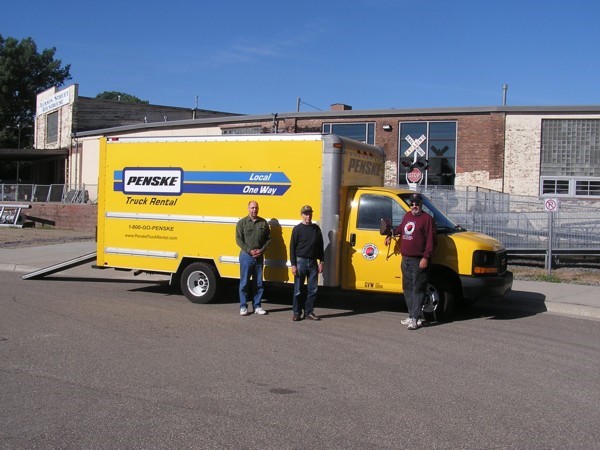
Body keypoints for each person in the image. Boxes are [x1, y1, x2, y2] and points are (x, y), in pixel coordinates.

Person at [384, 193, 436, 330]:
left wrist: (426, 257)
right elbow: (401, 228)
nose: (414, 206)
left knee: (418, 289)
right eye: (412, 204)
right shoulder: (407, 216)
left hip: (419, 260)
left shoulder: (427, 219)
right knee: (407, 289)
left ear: (421, 205)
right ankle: (412, 315)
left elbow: (431, 241)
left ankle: (416, 318)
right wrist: (391, 234)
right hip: (405, 259)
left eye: (417, 204)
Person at [235, 200, 271, 316]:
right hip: (246, 256)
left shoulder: (263, 223)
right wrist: (249, 250)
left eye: (256, 208)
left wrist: (262, 250)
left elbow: (268, 239)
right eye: (252, 208)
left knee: (259, 283)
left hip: (259, 256)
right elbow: (238, 239)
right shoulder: (242, 223)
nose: (254, 210)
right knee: (244, 283)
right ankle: (243, 306)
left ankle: (257, 306)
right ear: (248, 208)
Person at [289, 205, 325, 321]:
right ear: (301, 215)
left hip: (313, 262)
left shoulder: (316, 229)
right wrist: (293, 265)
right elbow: (292, 248)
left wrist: (322, 261)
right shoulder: (297, 229)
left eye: (309, 214)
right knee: (298, 290)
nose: (308, 216)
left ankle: (309, 312)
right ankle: (296, 312)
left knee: (312, 290)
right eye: (305, 214)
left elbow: (320, 246)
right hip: (300, 262)